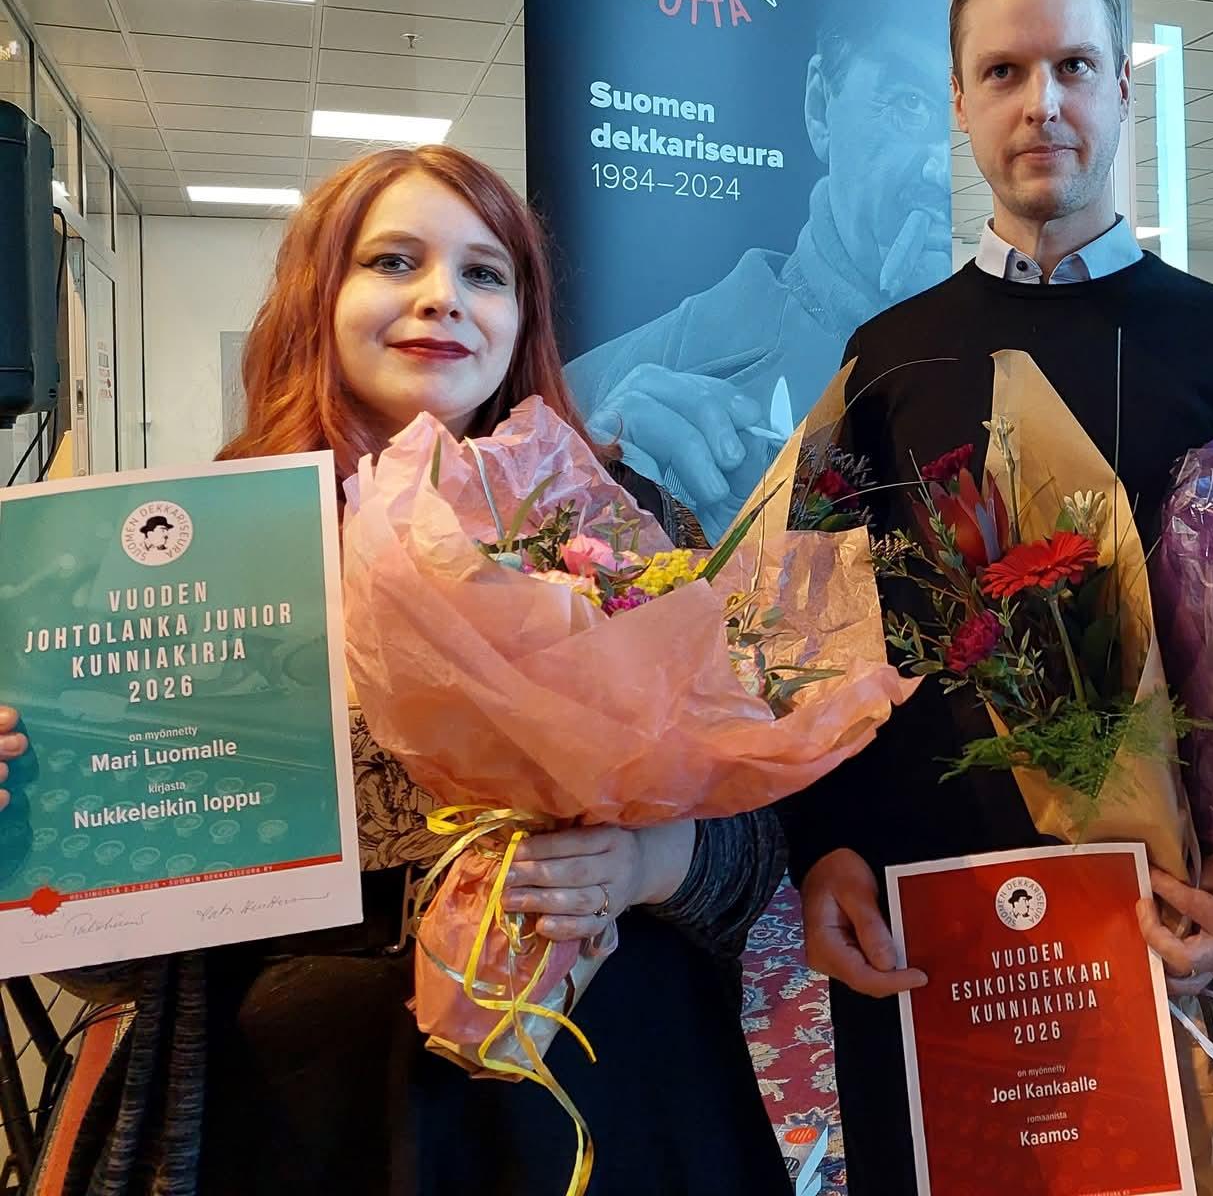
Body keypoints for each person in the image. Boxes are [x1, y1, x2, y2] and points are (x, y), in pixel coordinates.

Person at [24, 146, 789, 1195]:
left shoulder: (631, 521)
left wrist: (645, 862)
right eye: (392, 261)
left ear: (523, 315)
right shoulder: (204, 553)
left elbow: (754, 853)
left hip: (603, 1076)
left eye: (485, 273)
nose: (442, 297)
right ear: (319, 296)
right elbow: (102, 958)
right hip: (299, 1106)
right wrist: (39, 816)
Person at [778, 0, 1213, 1191]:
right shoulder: (883, 358)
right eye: (1003, 72)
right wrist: (824, 847)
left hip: (1171, 903)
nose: (1041, 103)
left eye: (1073, 66)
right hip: (928, 904)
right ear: (960, 101)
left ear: (1120, 89)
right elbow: (816, 639)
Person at [566, 0, 953, 537]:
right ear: (820, 106)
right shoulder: (596, 395)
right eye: (909, 104)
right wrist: (604, 495)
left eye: (965, 115)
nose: (943, 169)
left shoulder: (1016, 361)